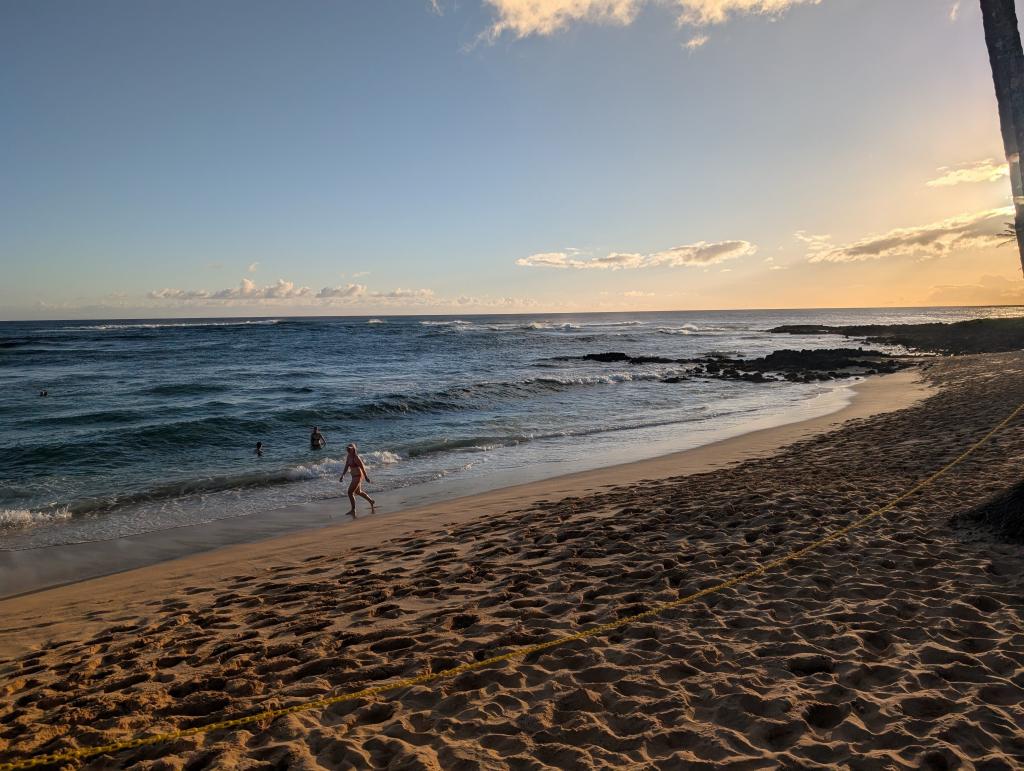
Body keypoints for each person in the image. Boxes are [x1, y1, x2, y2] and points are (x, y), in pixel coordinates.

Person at [339, 443, 376, 518]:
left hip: (358, 476)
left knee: (350, 492)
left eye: (350, 449)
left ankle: (353, 509)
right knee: (358, 492)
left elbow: (362, 468)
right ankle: (371, 501)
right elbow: (346, 466)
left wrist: (366, 477)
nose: (348, 450)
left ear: (354, 449)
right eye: (348, 449)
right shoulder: (348, 457)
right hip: (353, 477)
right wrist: (342, 475)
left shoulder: (356, 457)